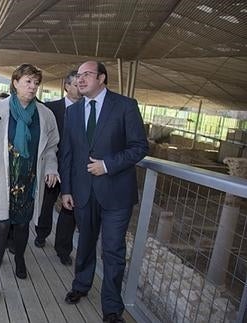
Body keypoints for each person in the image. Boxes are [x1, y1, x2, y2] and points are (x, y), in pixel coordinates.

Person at [59, 61, 148, 323]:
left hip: (116, 194)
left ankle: (111, 307)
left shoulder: (125, 106)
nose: (80, 79)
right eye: (78, 75)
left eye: (86, 74)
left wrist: (107, 165)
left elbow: (139, 147)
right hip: (83, 192)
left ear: (102, 78)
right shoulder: (73, 112)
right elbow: (67, 154)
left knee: (112, 250)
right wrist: (66, 190)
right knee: (85, 243)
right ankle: (81, 285)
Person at [0, 63, 60, 300]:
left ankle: (20, 258)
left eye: (36, 83)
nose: (32, 87)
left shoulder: (46, 115)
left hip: (29, 183)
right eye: (28, 81)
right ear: (15, 82)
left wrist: (51, 168)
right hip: (2, 181)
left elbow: (51, 148)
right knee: (0, 227)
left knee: (21, 227)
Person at [34, 70, 82, 267]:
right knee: (47, 201)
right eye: (76, 84)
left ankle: (63, 249)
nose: (80, 88)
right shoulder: (51, 109)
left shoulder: (89, 111)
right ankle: (41, 233)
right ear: (67, 87)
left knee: (69, 208)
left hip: (76, 168)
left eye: (82, 84)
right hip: (53, 163)